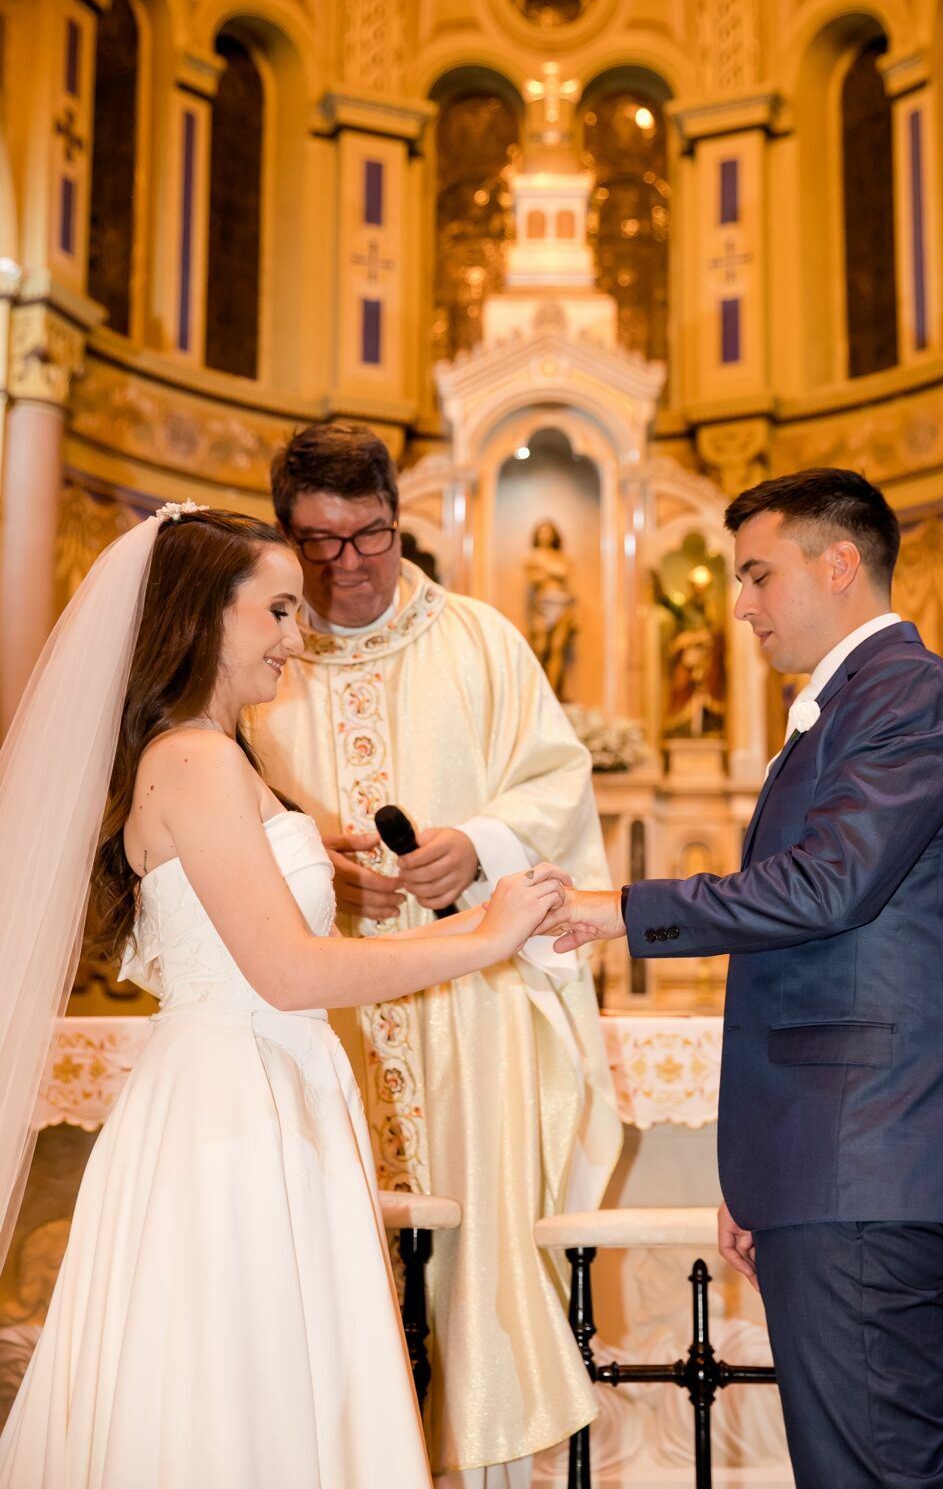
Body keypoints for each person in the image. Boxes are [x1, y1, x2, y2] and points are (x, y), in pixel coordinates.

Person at [0, 504, 566, 1488]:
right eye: (275, 611)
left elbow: (227, 913)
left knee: (264, 1388)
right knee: (242, 1390)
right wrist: (483, 934)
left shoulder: (220, 758)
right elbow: (289, 971)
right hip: (236, 1108)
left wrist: (326, 867)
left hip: (259, 1089)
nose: (297, 638)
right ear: (202, 617)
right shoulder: (196, 758)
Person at [539, 468, 943, 1489]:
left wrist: (617, 910)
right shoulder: (849, 702)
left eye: (756, 574)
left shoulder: (907, 693)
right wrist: (760, 1176)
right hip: (826, 1162)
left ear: (838, 563)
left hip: (866, 1155)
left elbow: (827, 885)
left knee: (875, 1472)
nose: (737, 603)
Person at [249, 423, 622, 1488]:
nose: (344, 564)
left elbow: (558, 789)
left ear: (398, 519)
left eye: (366, 534)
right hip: (312, 1008)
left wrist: (479, 843)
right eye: (315, 543)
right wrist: (315, 873)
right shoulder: (261, 651)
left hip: (471, 1005)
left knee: (471, 1265)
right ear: (286, 534)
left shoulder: (481, 640)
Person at [524, 519, 577, 699]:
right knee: (540, 648)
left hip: (562, 603)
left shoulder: (560, 557)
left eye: (548, 532)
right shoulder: (533, 557)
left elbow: (565, 571)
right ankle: (539, 691)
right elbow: (534, 577)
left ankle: (553, 692)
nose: (545, 535)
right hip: (543, 604)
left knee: (557, 648)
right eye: (542, 531)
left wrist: (546, 568)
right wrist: (552, 570)